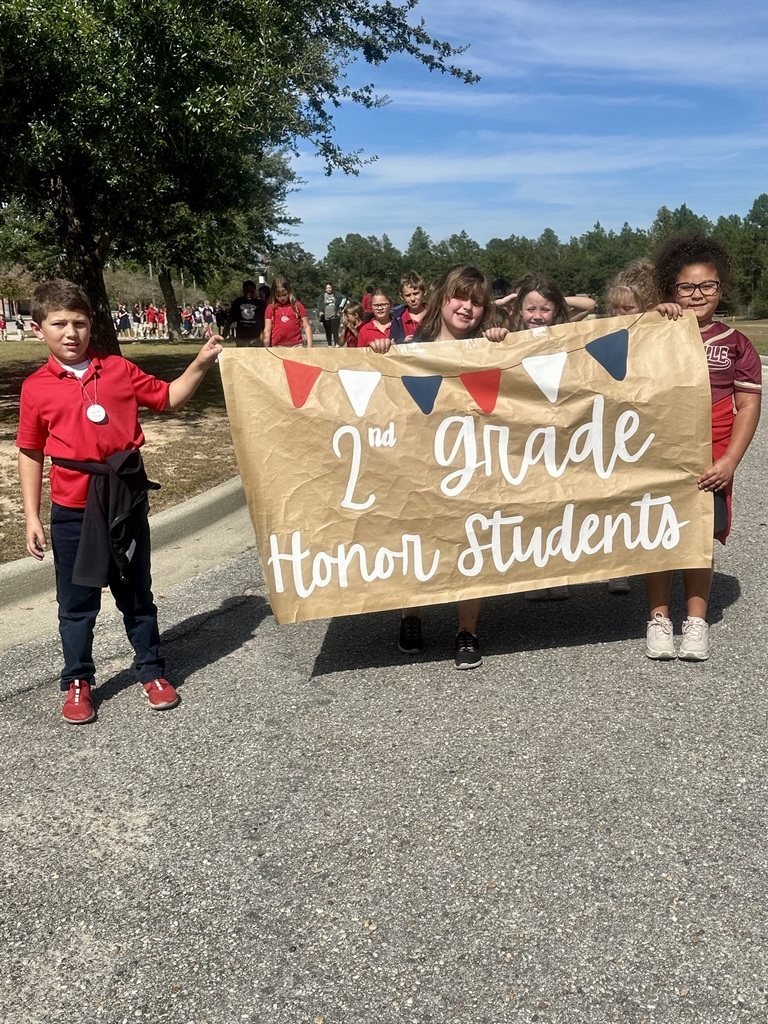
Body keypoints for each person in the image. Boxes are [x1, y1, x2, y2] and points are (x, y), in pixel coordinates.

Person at [15, 279, 223, 724]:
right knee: (76, 603)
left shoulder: (117, 370)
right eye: (59, 324)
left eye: (79, 323)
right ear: (39, 330)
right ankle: (77, 680)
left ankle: (151, 669)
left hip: (124, 502)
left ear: (91, 326)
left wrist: (201, 363)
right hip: (73, 510)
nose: (70, 333)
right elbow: (31, 451)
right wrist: (32, 515)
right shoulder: (36, 387)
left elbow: (168, 398)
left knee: (135, 592)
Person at [369, 264, 508, 670]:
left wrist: (500, 343)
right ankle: (410, 615)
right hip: (419, 459)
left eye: (477, 302)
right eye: (460, 298)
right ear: (442, 298)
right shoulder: (410, 345)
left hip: (472, 460)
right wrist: (381, 357)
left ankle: (467, 629)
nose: (467, 308)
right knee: (415, 536)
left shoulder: (488, 345)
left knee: (471, 541)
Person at [644, 234, 761, 661]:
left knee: (700, 540)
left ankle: (696, 621)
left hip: (711, 460)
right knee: (655, 534)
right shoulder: (656, 330)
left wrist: (731, 460)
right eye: (686, 287)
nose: (697, 295)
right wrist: (652, 319)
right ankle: (658, 619)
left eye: (707, 285)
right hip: (658, 456)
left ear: (721, 288)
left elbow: (748, 404)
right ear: (670, 291)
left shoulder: (736, 343)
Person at [602, 260, 684, 595]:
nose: (620, 313)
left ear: (647, 307)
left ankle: (650, 556)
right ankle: (615, 564)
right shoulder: (604, 333)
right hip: (612, 425)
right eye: (615, 307)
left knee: (645, 498)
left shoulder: (661, 326)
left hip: (650, 427)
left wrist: (665, 313)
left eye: (628, 308)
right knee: (612, 496)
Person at [505, 274, 595, 332]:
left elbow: (590, 305)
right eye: (531, 309)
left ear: (555, 311)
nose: (537, 316)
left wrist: (556, 299)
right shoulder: (510, 327)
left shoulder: (558, 325)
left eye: (545, 310)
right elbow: (490, 311)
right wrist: (501, 302)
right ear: (520, 309)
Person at [264, 277, 313, 348]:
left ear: (289, 291)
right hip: (278, 346)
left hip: (296, 345)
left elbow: (306, 326)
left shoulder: (297, 306)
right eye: (278, 296)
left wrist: (310, 346)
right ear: (274, 294)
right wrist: (266, 348)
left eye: (284, 294)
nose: (282, 298)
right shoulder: (270, 308)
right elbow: (267, 330)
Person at [223, 280, 266, 347]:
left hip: (256, 336)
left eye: (251, 292)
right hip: (241, 336)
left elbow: (265, 320)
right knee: (242, 356)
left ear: (254, 291)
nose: (249, 294)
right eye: (247, 291)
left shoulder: (260, 303)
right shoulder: (238, 302)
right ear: (243, 290)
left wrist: (263, 334)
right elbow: (231, 317)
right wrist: (226, 328)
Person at [390, 271, 429, 342]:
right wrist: (402, 342)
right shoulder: (398, 318)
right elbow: (392, 342)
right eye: (408, 295)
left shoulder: (434, 314)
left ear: (424, 292)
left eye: (416, 293)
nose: (412, 299)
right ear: (402, 297)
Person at [318, 283, 346, 347]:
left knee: (335, 330)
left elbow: (344, 298)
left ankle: (336, 343)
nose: (329, 289)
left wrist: (340, 307)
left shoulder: (336, 294)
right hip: (326, 316)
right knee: (328, 331)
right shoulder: (322, 296)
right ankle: (329, 344)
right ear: (325, 289)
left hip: (335, 315)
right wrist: (320, 311)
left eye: (330, 288)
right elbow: (319, 304)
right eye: (327, 288)